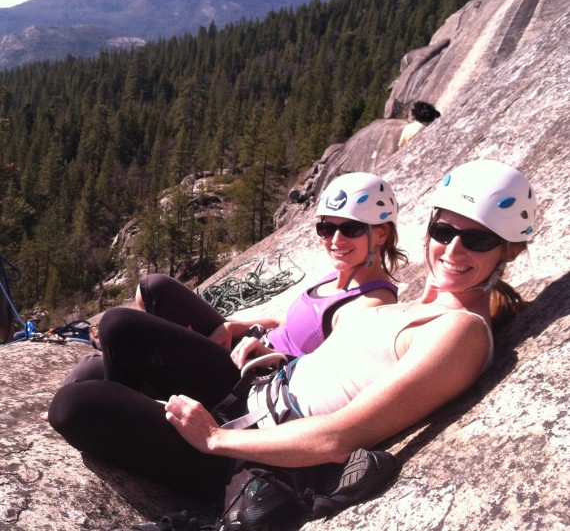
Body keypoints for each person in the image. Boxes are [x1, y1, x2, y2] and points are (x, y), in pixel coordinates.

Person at [46, 159, 535, 507]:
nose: (452, 250)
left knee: (75, 406)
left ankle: (152, 438)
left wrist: (213, 439)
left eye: (477, 239)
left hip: (257, 451)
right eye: (444, 232)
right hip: (252, 391)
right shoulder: (412, 304)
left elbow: (341, 436)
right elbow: (335, 366)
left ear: (507, 251)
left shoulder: (460, 333)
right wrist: (274, 355)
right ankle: (138, 414)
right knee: (120, 325)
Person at [62, 172, 406, 384]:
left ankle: (139, 380)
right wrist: (231, 327)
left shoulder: (373, 303)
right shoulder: (342, 275)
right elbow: (285, 321)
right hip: (248, 343)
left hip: (250, 374)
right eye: (326, 227)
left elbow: (335, 376)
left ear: (380, 234)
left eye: (351, 229)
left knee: (105, 346)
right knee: (153, 288)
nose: (335, 240)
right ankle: (144, 369)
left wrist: (271, 357)